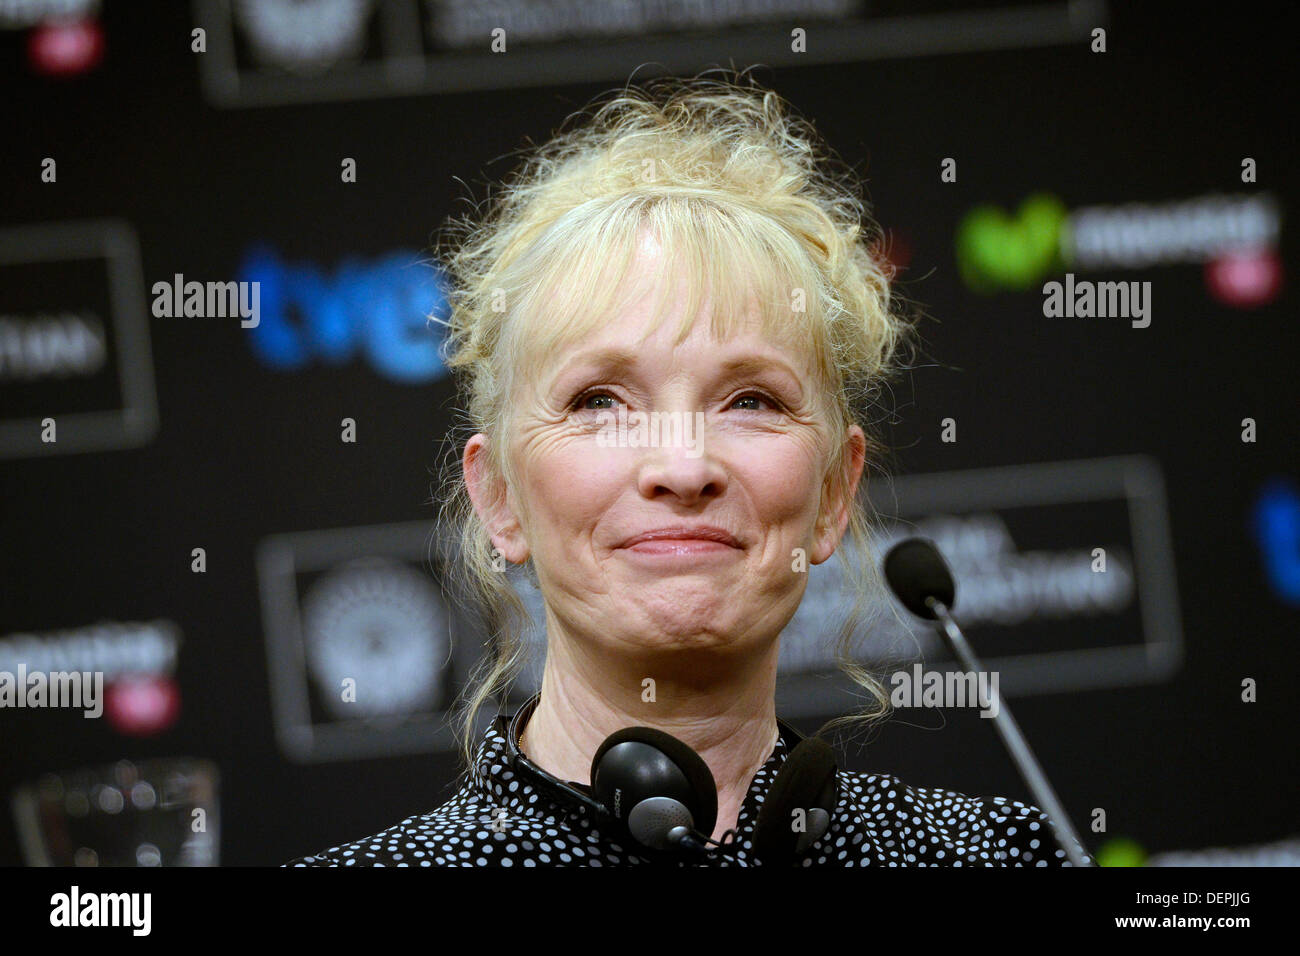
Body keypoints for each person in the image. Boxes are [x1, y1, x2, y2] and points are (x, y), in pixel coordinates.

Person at [286, 70, 1089, 867]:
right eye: (601, 401)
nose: (683, 465)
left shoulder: (997, 857)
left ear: (834, 494)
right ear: (498, 495)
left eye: (750, 400)